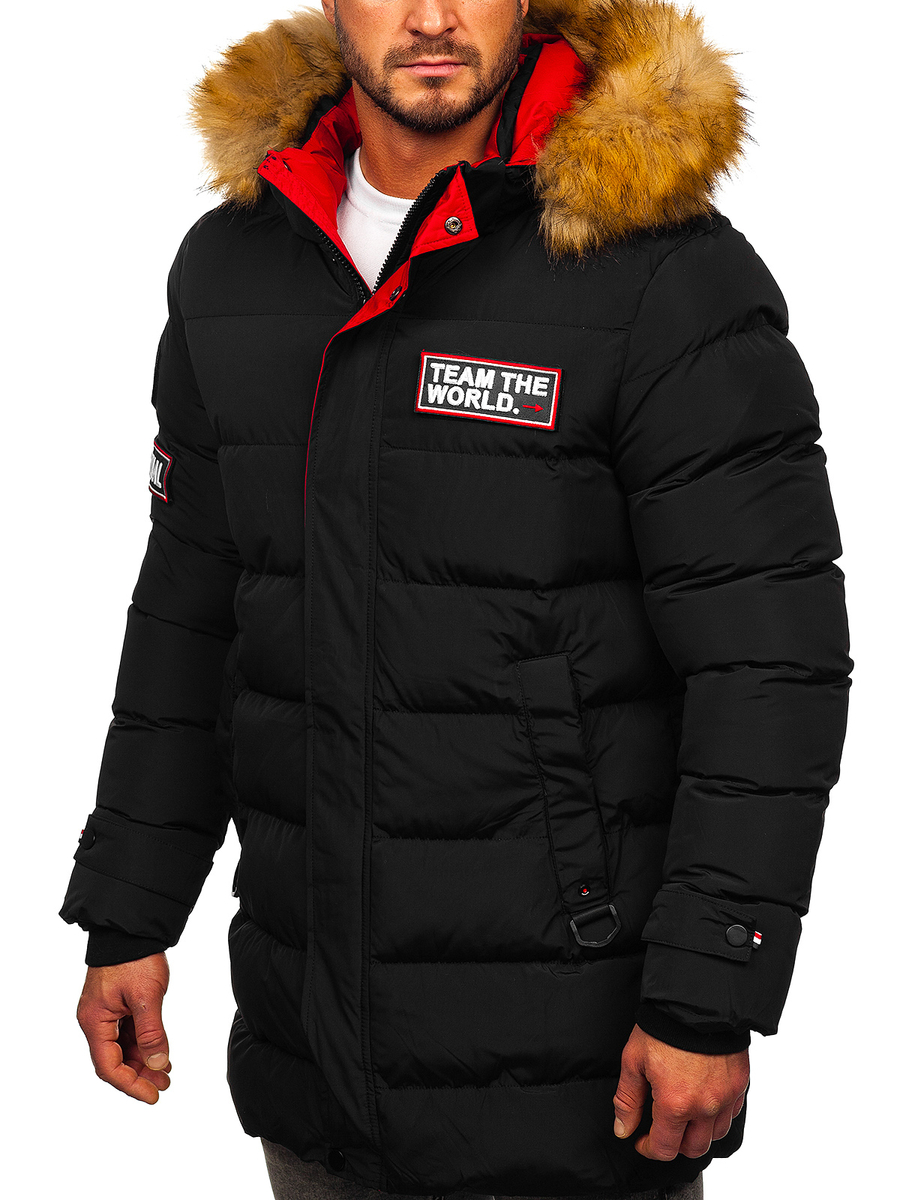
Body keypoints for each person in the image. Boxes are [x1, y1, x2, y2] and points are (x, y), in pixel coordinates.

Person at [59, 1, 852, 1198]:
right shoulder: (234, 267)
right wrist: (130, 910)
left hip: (576, 1072)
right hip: (311, 1059)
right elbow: (193, 608)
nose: (431, 17)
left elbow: (769, 663)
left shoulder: (659, 272)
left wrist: (708, 991)